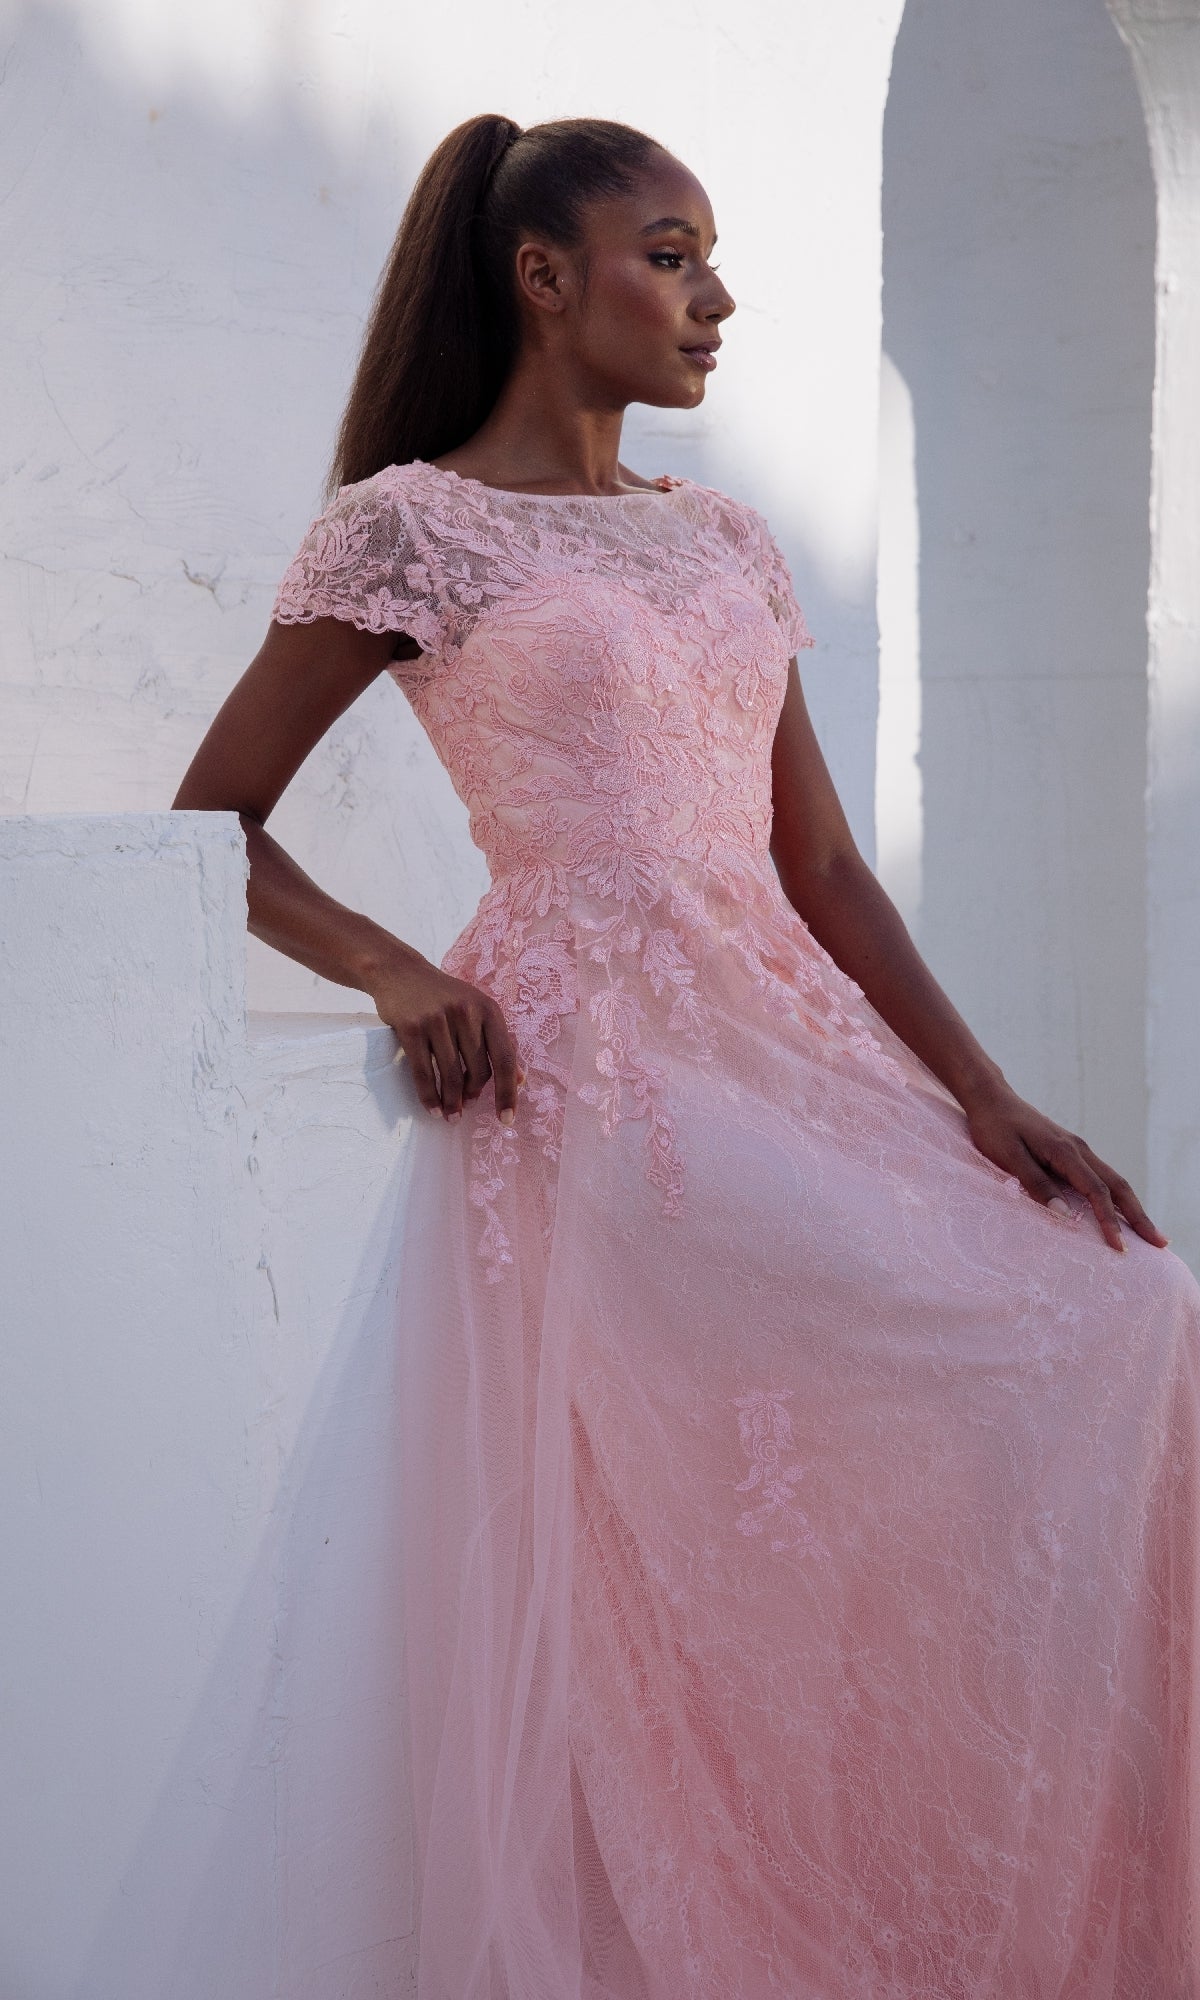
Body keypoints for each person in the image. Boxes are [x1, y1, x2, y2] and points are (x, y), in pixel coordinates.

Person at [173, 112, 1200, 1999]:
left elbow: (815, 864)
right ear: (542, 279)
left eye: (714, 254)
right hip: (605, 1069)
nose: (713, 297)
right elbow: (217, 819)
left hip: (799, 1047)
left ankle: (944, 1925)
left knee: (1127, 1315)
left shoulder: (723, 535)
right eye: (669, 252)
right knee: (711, 1536)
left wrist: (985, 1095)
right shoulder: (411, 525)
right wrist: (395, 967)